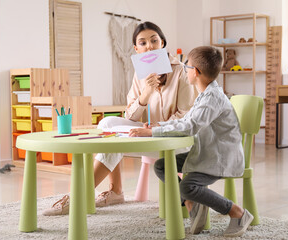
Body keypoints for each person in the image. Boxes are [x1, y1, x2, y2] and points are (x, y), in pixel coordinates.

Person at [43, 21, 198, 216]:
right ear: (136, 48)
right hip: (147, 136)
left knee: (114, 137)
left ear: (162, 43)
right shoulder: (140, 74)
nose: (149, 46)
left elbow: (185, 115)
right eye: (142, 43)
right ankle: (115, 190)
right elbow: (130, 115)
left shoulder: (181, 72)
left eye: (154, 40)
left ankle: (79, 196)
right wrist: (146, 94)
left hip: (172, 140)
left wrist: (155, 127)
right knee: (107, 124)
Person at [129, 46, 253, 237]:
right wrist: (157, 125)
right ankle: (191, 203)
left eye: (186, 66)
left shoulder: (212, 98)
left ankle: (238, 213)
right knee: (162, 166)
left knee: (188, 186)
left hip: (220, 158)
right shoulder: (204, 94)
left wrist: (152, 131)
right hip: (207, 152)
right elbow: (187, 121)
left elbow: (190, 127)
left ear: (195, 72)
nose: (184, 69)